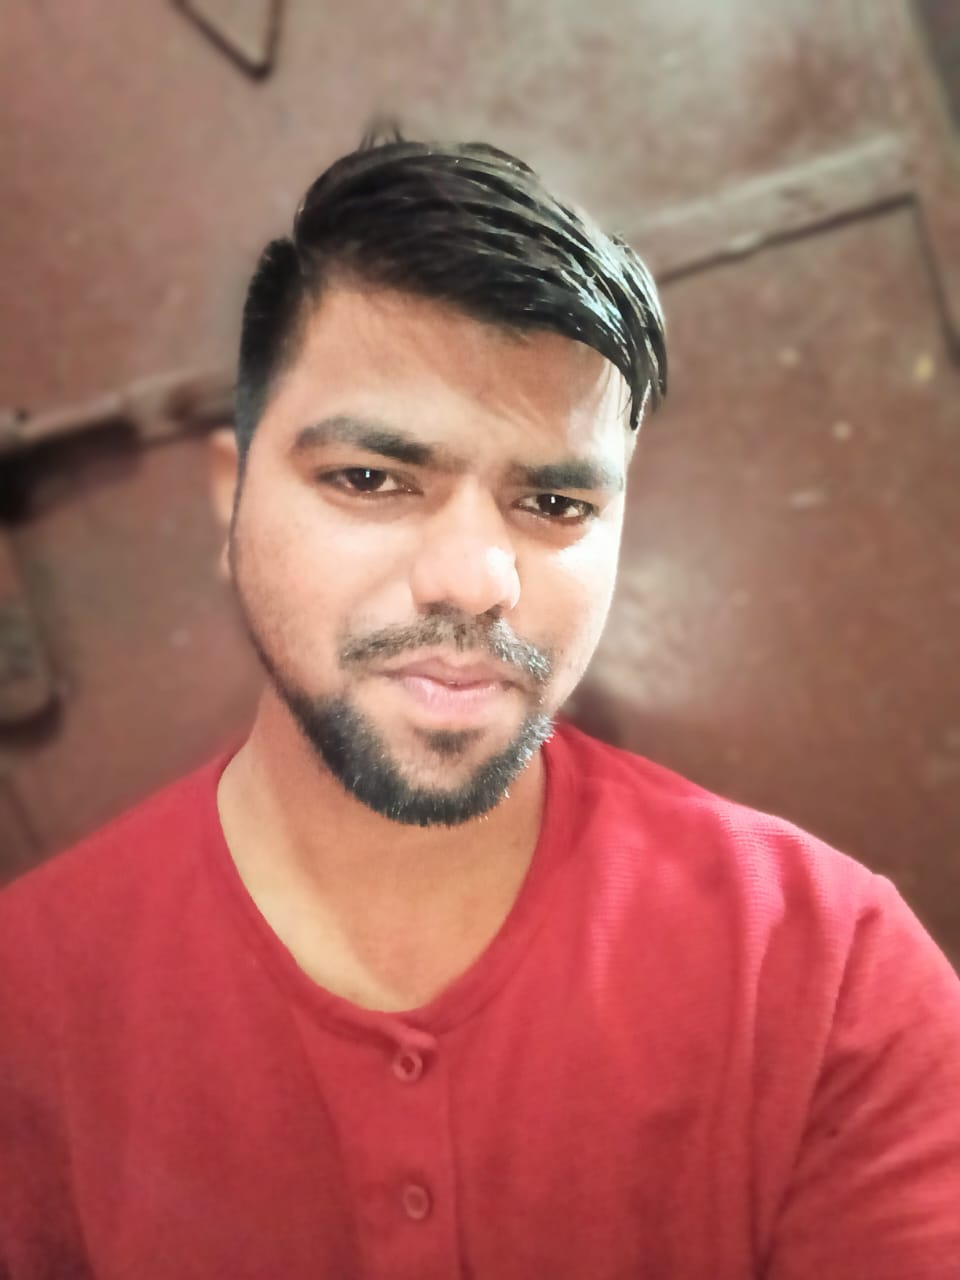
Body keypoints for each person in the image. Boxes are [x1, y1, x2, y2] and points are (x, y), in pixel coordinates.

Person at [1, 129, 958, 1280]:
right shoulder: (29, 1006)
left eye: (553, 503)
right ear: (233, 495)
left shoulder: (825, 971)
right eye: (371, 478)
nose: (474, 578)